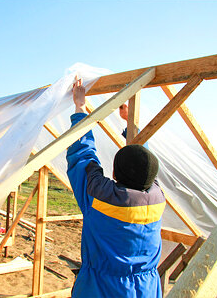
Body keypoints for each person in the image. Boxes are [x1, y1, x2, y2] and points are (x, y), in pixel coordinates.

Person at [66, 78, 166, 298]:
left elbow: (82, 157)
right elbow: (144, 165)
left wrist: (80, 108)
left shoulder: (100, 198)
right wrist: (131, 125)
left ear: (114, 174)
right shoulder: (157, 198)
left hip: (100, 289)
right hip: (146, 290)